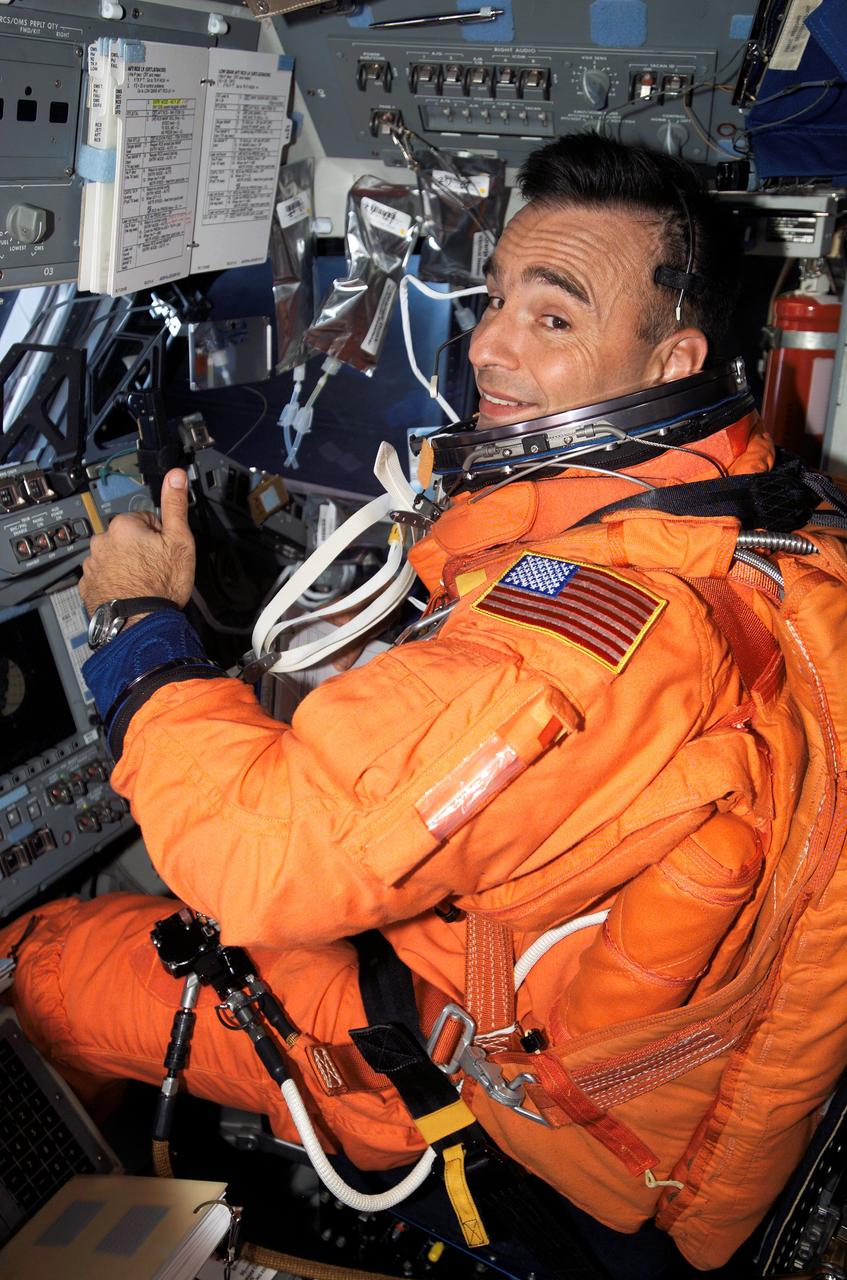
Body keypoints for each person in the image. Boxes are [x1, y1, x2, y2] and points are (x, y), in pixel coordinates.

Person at [3, 134, 847, 1278]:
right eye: (495, 298)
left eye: (553, 317)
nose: (488, 344)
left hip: (490, 1084)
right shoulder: (766, 521)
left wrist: (139, 627)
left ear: (673, 357)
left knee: (46, 969)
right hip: (594, 1033)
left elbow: (258, 858)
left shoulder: (604, 634)